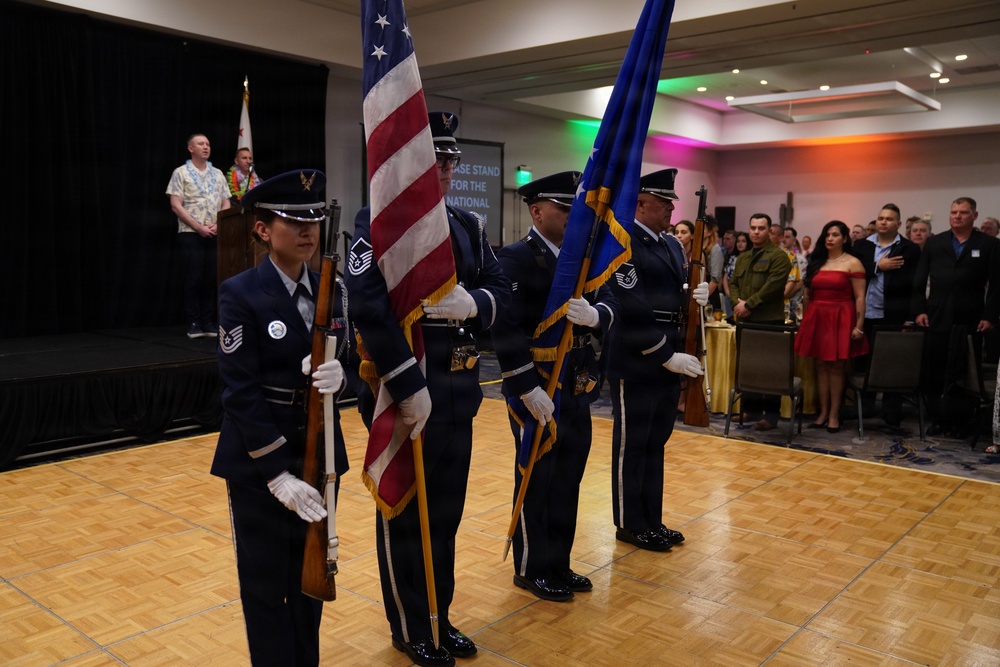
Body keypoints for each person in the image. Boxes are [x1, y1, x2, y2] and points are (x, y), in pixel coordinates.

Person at [346, 112, 510, 667]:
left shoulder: (466, 223)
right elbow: (367, 306)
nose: (443, 169)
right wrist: (407, 382)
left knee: (445, 518)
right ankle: (410, 624)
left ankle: (440, 615)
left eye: (449, 161)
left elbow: (498, 283)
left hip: (459, 394)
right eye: (434, 159)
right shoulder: (378, 224)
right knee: (404, 516)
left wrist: (476, 303)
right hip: (407, 394)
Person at [211, 170, 350, 667]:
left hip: (321, 453)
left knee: (311, 578)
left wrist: (341, 375)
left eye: (314, 218)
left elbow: (349, 360)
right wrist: (276, 473)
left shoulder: (333, 287)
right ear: (264, 230)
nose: (308, 230)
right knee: (267, 584)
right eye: (293, 220)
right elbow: (240, 392)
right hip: (260, 461)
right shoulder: (241, 293)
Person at [492, 171, 617, 602]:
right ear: (537, 211)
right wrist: (526, 385)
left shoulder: (583, 259)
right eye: (564, 209)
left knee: (569, 475)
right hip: (538, 386)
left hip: (577, 383)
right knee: (538, 473)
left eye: (576, 210)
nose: (571, 218)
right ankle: (531, 567)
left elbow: (612, 302)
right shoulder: (515, 259)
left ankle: (558, 562)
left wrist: (597, 315)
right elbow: (505, 329)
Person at [606, 168, 707, 553]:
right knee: (632, 445)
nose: (670, 209)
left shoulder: (670, 245)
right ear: (641, 203)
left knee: (655, 442)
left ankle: (651, 518)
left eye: (671, 203)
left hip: (670, 351)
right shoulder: (623, 240)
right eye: (664, 202)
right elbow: (631, 306)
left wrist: (694, 295)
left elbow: (671, 298)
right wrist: (665, 355)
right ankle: (629, 523)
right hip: (638, 355)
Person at [912, 197, 1000, 436]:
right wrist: (919, 309)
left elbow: (996, 285)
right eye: (953, 212)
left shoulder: (989, 244)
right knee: (935, 370)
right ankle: (939, 418)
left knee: (965, 371)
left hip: (971, 317)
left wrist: (990, 316)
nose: (957, 216)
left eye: (963, 212)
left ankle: (962, 420)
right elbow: (920, 280)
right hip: (937, 316)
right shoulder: (935, 243)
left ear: (975, 215)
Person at [795, 220, 868, 432]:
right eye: (827, 234)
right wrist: (807, 319)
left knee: (836, 367)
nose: (830, 238)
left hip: (841, 316)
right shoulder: (817, 261)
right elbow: (808, 294)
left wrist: (859, 326)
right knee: (820, 366)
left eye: (835, 235)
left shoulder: (853, 263)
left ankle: (835, 415)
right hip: (817, 317)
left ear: (844, 239)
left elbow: (860, 298)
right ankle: (823, 412)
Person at [852, 203, 921, 426]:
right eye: (881, 218)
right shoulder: (862, 246)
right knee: (863, 362)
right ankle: (865, 408)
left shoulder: (909, 249)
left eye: (889, 219)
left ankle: (891, 410)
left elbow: (915, 285)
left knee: (892, 364)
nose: (883, 222)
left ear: (899, 224)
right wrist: (877, 267)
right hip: (865, 314)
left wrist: (910, 316)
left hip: (894, 313)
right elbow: (854, 273)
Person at [729, 213, 792, 430]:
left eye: (761, 228)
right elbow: (733, 281)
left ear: (769, 230)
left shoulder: (779, 257)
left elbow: (773, 286)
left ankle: (771, 416)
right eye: (753, 228)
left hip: (768, 321)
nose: (756, 232)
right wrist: (737, 303)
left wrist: (748, 304)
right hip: (745, 321)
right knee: (748, 367)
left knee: (769, 369)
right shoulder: (743, 257)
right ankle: (751, 410)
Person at [166, 133, 231, 338]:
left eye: (208, 144)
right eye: (201, 144)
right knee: (194, 277)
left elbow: (226, 202)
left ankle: (208, 321)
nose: (206, 147)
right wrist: (198, 226)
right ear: (191, 148)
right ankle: (194, 322)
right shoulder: (181, 173)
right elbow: (176, 205)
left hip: (213, 232)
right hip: (190, 233)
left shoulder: (218, 174)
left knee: (211, 278)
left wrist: (217, 224)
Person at [722, 231, 749, 311]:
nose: (740, 244)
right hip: (730, 294)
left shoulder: (750, 259)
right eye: (738, 241)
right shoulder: (733, 258)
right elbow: (725, 276)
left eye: (743, 241)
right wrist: (728, 292)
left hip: (744, 296)